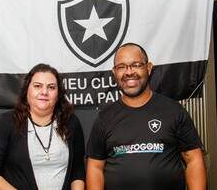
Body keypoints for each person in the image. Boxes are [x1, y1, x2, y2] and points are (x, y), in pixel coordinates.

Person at [86, 43, 206, 190]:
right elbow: (95, 167)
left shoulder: (174, 111)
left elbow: (193, 159)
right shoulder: (104, 118)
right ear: (114, 72)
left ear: (148, 68)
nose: (129, 72)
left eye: (136, 65)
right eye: (122, 67)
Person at [0, 63, 85, 190]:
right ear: (27, 90)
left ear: (58, 94)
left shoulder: (70, 122)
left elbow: (77, 169)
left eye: (51, 87)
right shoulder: (6, 123)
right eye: (37, 86)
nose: (44, 92)